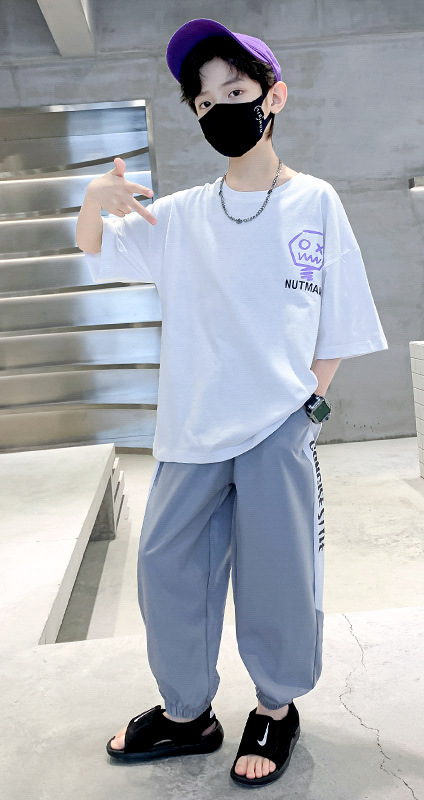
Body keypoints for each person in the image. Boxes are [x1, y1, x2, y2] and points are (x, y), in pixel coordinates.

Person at [75, 17, 387, 787]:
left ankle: (276, 708)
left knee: (280, 576)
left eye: (236, 91)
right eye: (206, 100)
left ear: (273, 96)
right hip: (191, 428)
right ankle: (188, 713)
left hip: (277, 427)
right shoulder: (180, 214)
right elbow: (96, 247)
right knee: (167, 569)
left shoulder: (315, 202)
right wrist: (93, 197)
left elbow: (339, 317)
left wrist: (308, 408)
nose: (220, 108)